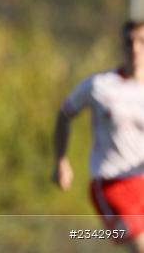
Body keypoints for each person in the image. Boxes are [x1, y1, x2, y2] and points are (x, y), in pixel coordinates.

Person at [53, 20, 144, 253]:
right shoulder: (100, 85)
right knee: (140, 243)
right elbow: (65, 114)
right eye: (129, 42)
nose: (135, 48)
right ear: (121, 46)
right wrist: (61, 160)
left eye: (141, 42)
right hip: (112, 185)